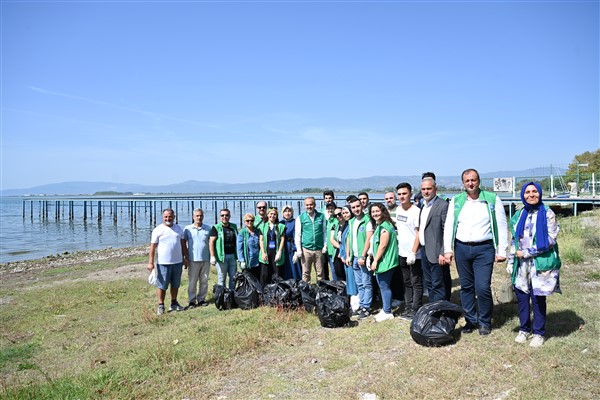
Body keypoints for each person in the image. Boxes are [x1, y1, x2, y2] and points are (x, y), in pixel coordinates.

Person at [443, 168, 508, 336]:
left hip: (484, 249)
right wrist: (448, 250)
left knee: (482, 287)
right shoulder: (456, 201)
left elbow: (501, 225)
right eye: (467, 181)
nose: (471, 183)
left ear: (479, 181)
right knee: (466, 287)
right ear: (463, 183)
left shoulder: (492, 199)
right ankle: (471, 320)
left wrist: (502, 250)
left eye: (474, 180)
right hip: (462, 248)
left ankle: (485, 321)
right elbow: (449, 226)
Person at [508, 182, 560, 347]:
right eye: (528, 192)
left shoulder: (548, 213)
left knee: (538, 298)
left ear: (540, 193)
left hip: (540, 263)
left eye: (534, 191)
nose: (531, 195)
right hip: (521, 265)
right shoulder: (519, 214)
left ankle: (538, 332)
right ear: (523, 195)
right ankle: (524, 329)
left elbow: (550, 239)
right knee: (522, 297)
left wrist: (528, 252)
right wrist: (511, 261)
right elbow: (514, 240)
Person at [148, 208, 188, 316]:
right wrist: (150, 262)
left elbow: (183, 245)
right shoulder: (158, 230)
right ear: (163, 217)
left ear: (174, 217)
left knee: (175, 284)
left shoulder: (178, 229)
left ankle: (174, 303)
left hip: (177, 262)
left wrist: (186, 258)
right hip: (163, 263)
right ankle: (161, 305)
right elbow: (152, 247)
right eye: (166, 216)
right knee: (162, 285)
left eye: (170, 216)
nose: (168, 218)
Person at [419, 177, 451, 303]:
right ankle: (433, 307)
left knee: (439, 283)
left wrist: (443, 252)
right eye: (423, 189)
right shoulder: (423, 205)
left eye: (429, 189)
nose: (426, 191)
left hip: (437, 252)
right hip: (424, 249)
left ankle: (441, 310)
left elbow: (446, 231)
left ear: (435, 189)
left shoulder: (443, 205)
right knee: (429, 282)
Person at [395, 182, 423, 320]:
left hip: (414, 255)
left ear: (411, 194)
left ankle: (416, 308)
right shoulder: (399, 210)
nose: (402, 196)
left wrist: (413, 252)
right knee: (406, 282)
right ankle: (408, 306)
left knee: (416, 282)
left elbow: (418, 233)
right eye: (399, 194)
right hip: (402, 253)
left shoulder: (416, 211)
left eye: (404, 193)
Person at [369, 203, 399, 322]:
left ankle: (387, 311)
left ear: (383, 211)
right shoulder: (380, 225)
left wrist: (375, 261)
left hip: (385, 261)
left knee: (384, 286)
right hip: (384, 261)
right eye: (373, 212)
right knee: (383, 286)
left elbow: (383, 245)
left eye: (377, 211)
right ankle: (385, 308)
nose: (375, 214)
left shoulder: (385, 227)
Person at [346, 196, 374, 319]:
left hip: (363, 257)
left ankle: (366, 307)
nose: (356, 209)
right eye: (353, 207)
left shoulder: (367, 220)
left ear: (362, 206)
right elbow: (349, 239)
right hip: (354, 257)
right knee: (359, 283)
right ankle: (361, 304)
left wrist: (363, 255)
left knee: (366, 282)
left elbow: (369, 238)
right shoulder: (351, 221)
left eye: (358, 206)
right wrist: (348, 255)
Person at [294, 197, 327, 282]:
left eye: (311, 204)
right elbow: (298, 234)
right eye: (307, 205)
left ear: (315, 205)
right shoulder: (300, 217)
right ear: (304, 206)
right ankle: (306, 292)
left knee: (320, 273)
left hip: (318, 249)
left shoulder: (321, 216)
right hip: (306, 249)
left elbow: (324, 232)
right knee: (305, 273)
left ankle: (320, 291)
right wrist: (299, 250)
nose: (309, 206)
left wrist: (325, 245)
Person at [183, 208, 211, 309]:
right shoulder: (187, 229)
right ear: (193, 217)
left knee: (204, 280)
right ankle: (191, 301)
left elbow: (211, 243)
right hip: (193, 259)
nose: (199, 218)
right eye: (197, 216)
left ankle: (201, 299)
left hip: (206, 259)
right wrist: (185, 257)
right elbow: (183, 243)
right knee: (192, 281)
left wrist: (212, 256)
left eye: (201, 216)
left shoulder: (208, 228)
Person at [209, 208, 238, 290]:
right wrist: (212, 256)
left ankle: (232, 296)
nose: (224, 217)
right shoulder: (216, 227)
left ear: (230, 216)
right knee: (222, 278)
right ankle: (222, 297)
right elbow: (211, 242)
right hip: (221, 257)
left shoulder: (234, 226)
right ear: (220, 217)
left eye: (226, 215)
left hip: (232, 256)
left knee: (233, 278)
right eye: (222, 215)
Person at [258, 208, 286, 287]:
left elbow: (282, 239)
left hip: (276, 253)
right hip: (266, 253)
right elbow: (261, 240)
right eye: (271, 214)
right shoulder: (262, 226)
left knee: (277, 274)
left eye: (274, 214)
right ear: (267, 214)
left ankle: (277, 293)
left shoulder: (280, 226)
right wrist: (263, 253)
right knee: (265, 274)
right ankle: (263, 294)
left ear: (276, 216)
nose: (272, 216)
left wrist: (279, 252)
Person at [337, 205, 358, 304]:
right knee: (349, 279)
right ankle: (351, 300)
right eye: (343, 213)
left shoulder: (352, 224)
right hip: (345, 257)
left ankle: (356, 302)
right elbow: (342, 242)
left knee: (353, 280)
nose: (345, 215)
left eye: (347, 213)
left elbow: (350, 241)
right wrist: (342, 255)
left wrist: (348, 256)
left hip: (351, 257)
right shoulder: (344, 225)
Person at [237, 213, 261, 281]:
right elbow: (239, 248)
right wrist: (242, 260)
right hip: (248, 262)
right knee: (248, 282)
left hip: (257, 261)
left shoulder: (257, 231)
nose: (249, 222)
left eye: (251, 220)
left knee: (257, 281)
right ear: (244, 222)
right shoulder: (242, 233)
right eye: (247, 221)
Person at [280, 205, 301, 280]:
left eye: (289, 211)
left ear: (292, 212)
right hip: (283, 247)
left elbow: (297, 236)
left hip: (291, 247)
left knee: (293, 265)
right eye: (285, 211)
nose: (287, 213)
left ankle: (295, 281)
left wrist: (296, 250)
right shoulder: (281, 223)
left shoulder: (295, 222)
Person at [328, 206, 347, 281]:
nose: (338, 216)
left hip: (347, 252)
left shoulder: (348, 224)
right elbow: (332, 239)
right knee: (339, 273)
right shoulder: (334, 225)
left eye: (340, 214)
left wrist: (343, 250)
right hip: (337, 252)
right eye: (335, 215)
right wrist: (341, 248)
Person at [324, 202, 339, 280]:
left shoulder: (337, 221)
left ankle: (337, 287)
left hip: (335, 250)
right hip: (328, 250)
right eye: (328, 208)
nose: (330, 210)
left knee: (335, 271)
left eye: (332, 208)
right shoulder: (327, 221)